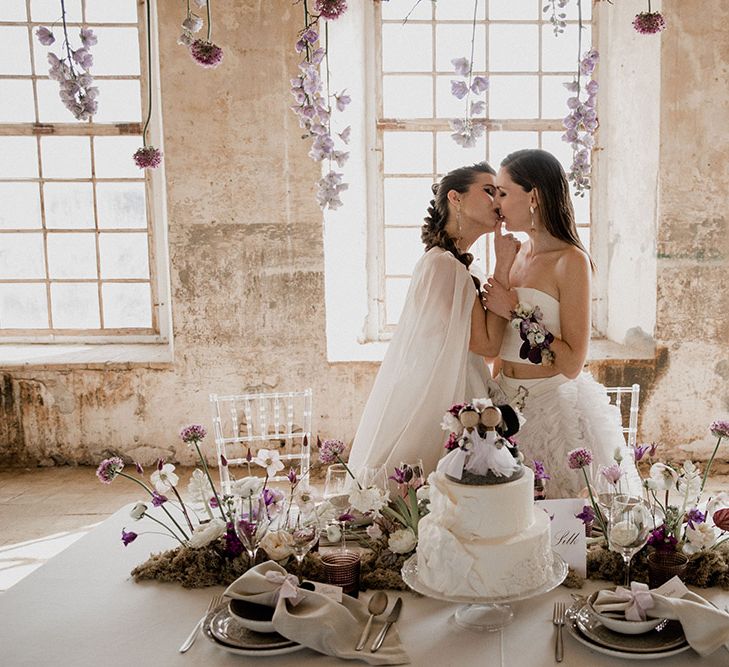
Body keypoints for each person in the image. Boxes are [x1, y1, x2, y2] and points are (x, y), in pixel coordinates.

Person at [482, 149, 640, 498]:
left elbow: (571, 363)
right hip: (502, 408)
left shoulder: (571, 261)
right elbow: (498, 344)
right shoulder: (515, 253)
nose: (497, 204)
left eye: (504, 193)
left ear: (534, 196)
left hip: (552, 412)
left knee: (560, 520)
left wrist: (517, 311)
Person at [347, 161, 520, 477]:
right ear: (455, 198)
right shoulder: (444, 267)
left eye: (501, 193)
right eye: (488, 191)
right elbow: (488, 344)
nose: (498, 201)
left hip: (466, 388)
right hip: (446, 398)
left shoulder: (456, 266)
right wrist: (504, 267)